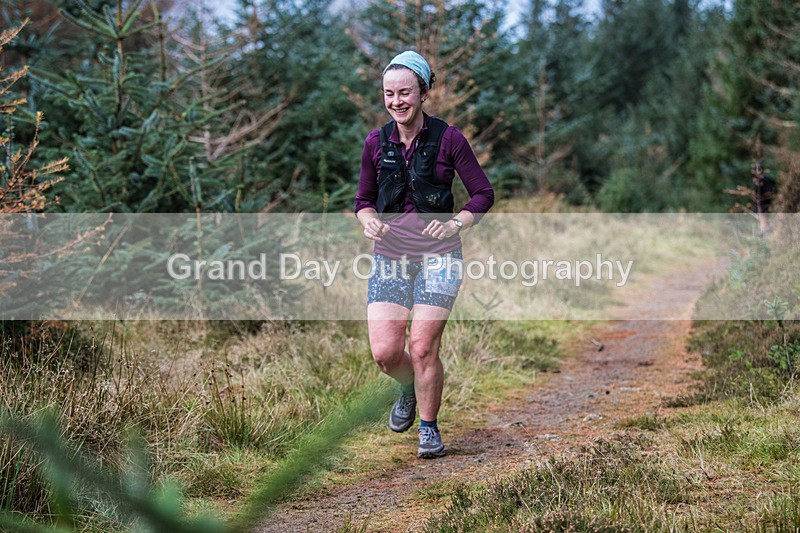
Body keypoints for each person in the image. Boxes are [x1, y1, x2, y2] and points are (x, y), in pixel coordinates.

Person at [354, 50, 494, 458]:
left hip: (440, 257)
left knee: (421, 347)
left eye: (405, 93)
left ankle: (429, 429)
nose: (397, 101)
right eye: (389, 94)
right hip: (390, 255)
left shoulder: (449, 139)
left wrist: (455, 224)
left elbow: (484, 193)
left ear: (423, 93)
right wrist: (367, 220)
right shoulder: (375, 142)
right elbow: (363, 199)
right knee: (384, 353)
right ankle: (406, 387)